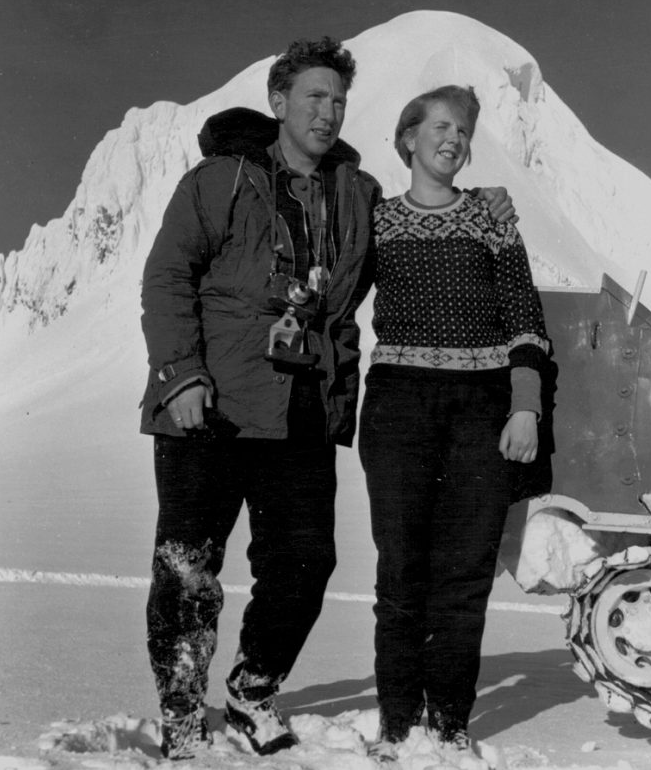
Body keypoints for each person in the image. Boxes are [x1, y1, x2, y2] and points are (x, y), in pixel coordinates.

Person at [139, 38, 516, 760]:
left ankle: (253, 688)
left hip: (303, 410)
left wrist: (479, 208)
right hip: (208, 404)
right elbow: (167, 279)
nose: (328, 110)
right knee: (188, 566)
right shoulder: (219, 180)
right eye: (313, 96)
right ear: (278, 103)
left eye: (338, 99)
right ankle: (182, 711)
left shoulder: (359, 195)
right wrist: (181, 375)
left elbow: (417, 231)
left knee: (306, 562)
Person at [358, 85, 551, 761]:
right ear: (408, 137)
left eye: (464, 131)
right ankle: (395, 724)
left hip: (483, 407)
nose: (454, 139)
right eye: (441, 126)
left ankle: (447, 727)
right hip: (398, 403)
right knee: (401, 571)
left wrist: (524, 403)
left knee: (465, 574)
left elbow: (525, 316)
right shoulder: (374, 221)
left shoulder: (492, 219)